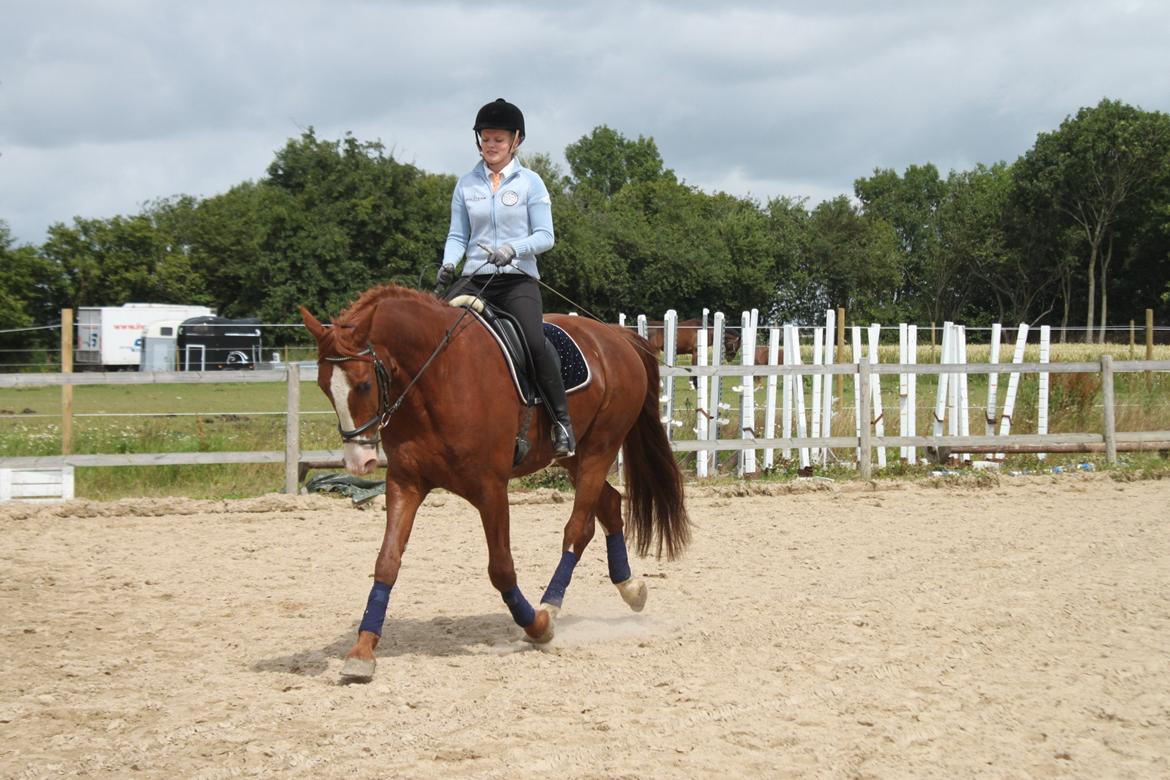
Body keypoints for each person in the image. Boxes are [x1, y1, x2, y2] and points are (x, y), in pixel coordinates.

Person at [436, 98, 576, 458]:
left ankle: (561, 423)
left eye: (499, 139)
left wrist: (513, 249)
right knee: (436, 337)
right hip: (475, 277)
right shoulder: (466, 184)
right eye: (486, 138)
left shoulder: (531, 183)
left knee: (532, 341)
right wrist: (449, 263)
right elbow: (457, 235)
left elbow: (546, 236)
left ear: (516, 141)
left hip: (516, 280)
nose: (491, 145)